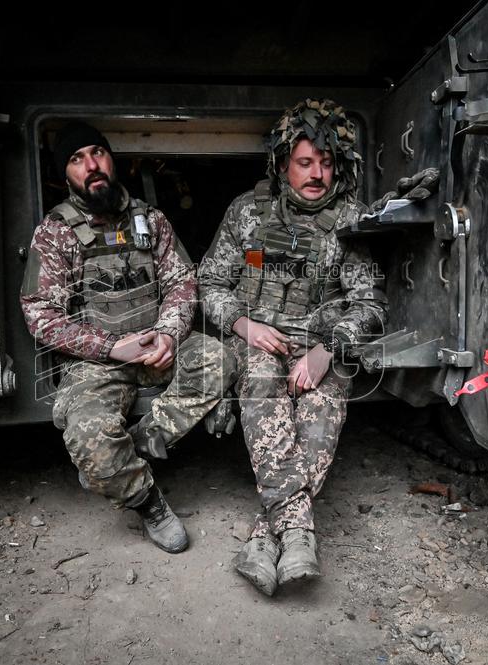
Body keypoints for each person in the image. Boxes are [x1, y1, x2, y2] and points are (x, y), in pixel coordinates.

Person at [198, 99, 386, 594]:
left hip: (321, 345)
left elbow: (369, 304)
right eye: (305, 163)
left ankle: (267, 536)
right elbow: (210, 283)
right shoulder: (247, 212)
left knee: (318, 414)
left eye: (326, 164)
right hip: (258, 341)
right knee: (262, 386)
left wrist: (328, 350)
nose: (317, 174)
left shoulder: (349, 222)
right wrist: (243, 325)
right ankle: (299, 532)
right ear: (284, 165)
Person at [21, 121, 234, 554]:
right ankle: (148, 501)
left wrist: (170, 334)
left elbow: (181, 282)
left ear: (111, 159)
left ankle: (140, 444)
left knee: (221, 359)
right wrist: (110, 347)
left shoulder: (150, 221)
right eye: (77, 159)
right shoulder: (57, 233)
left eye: (97, 152)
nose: (91, 165)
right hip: (97, 362)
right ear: (67, 175)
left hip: (156, 348)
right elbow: (40, 314)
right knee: (90, 442)